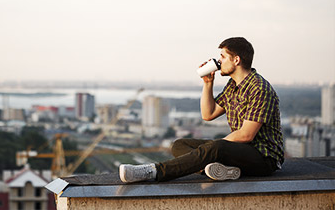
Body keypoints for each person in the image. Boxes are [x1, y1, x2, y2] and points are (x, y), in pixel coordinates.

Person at [119, 37, 284, 182]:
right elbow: (208, 114)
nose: (219, 62)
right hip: (239, 152)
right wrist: (207, 84)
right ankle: (220, 171)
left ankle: (153, 171)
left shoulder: (259, 89)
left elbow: (246, 135)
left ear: (236, 60)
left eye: (223, 56)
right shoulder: (233, 86)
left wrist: (213, 149)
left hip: (264, 158)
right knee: (180, 144)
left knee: (215, 148)